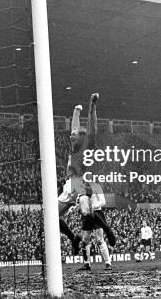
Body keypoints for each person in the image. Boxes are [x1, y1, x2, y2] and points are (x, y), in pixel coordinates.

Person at [57, 93, 99, 254]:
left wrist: (92, 105)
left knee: (86, 212)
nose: (71, 135)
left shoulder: (85, 146)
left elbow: (92, 126)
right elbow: (75, 128)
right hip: (70, 184)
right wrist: (75, 112)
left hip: (81, 183)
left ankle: (97, 233)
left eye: (74, 134)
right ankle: (74, 237)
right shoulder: (73, 148)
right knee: (51, 217)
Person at [77, 182, 113, 271]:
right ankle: (87, 264)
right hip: (86, 215)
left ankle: (108, 263)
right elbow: (79, 201)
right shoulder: (81, 188)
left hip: (97, 213)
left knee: (99, 239)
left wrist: (92, 206)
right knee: (85, 240)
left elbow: (103, 201)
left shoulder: (97, 187)